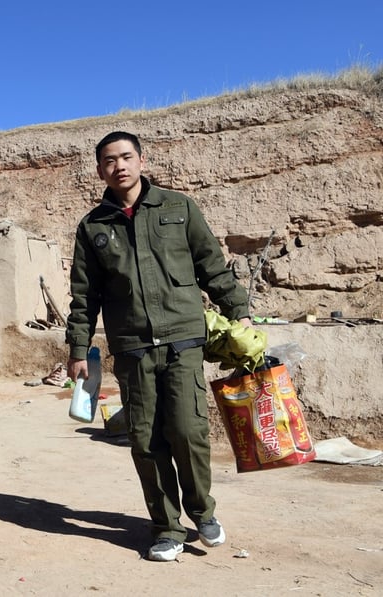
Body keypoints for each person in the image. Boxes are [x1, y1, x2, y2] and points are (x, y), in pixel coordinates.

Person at [66, 131, 253, 562]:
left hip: (183, 338)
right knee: (146, 442)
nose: (120, 166)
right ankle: (167, 527)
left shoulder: (178, 207)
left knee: (189, 431)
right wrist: (78, 348)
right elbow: (84, 295)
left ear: (142, 161)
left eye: (127, 157)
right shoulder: (93, 226)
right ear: (100, 170)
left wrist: (237, 308)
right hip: (131, 347)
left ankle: (203, 512)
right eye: (110, 160)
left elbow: (211, 264)